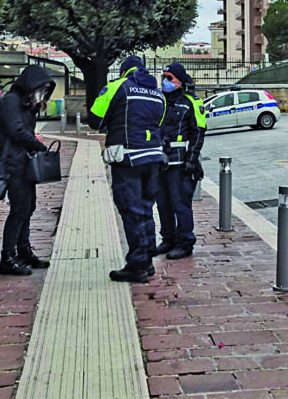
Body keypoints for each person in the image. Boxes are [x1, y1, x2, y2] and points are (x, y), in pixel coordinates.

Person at [88, 56, 166, 284]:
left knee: (131, 211)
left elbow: (95, 120)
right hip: (153, 158)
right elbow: (159, 122)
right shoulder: (157, 93)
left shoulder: (118, 86)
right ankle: (148, 261)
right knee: (145, 209)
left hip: (129, 160)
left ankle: (137, 265)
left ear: (124, 70)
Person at [0, 66, 54, 276]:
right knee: (19, 209)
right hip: (12, 161)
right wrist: (38, 145)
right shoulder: (11, 101)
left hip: (23, 161)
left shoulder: (25, 103)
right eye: (41, 87)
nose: (42, 92)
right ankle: (7, 256)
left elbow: (22, 130)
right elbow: (16, 130)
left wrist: (32, 139)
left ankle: (23, 250)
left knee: (28, 207)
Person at [154, 63, 206, 261]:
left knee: (180, 205)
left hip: (181, 163)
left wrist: (191, 160)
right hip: (161, 162)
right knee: (163, 204)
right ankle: (168, 239)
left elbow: (199, 132)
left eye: (170, 78)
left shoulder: (191, 102)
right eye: (164, 77)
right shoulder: (160, 101)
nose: (165, 81)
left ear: (180, 81)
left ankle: (185, 243)